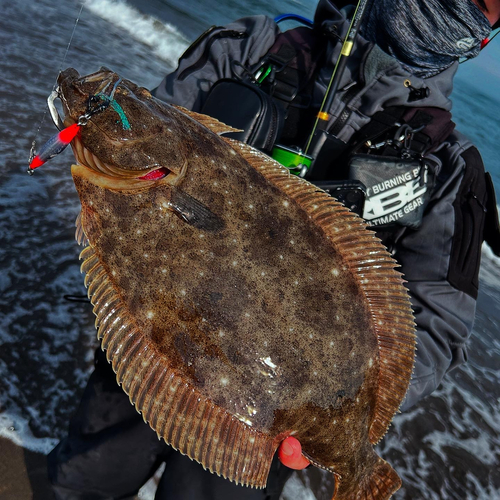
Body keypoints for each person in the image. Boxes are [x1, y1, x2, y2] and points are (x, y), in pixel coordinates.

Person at [48, 0, 500, 498]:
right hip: (163, 332)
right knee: (84, 478)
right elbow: (143, 129)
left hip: (274, 415)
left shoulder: (452, 168)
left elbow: (439, 321)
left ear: (490, 31)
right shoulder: (251, 47)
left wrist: (344, 416)